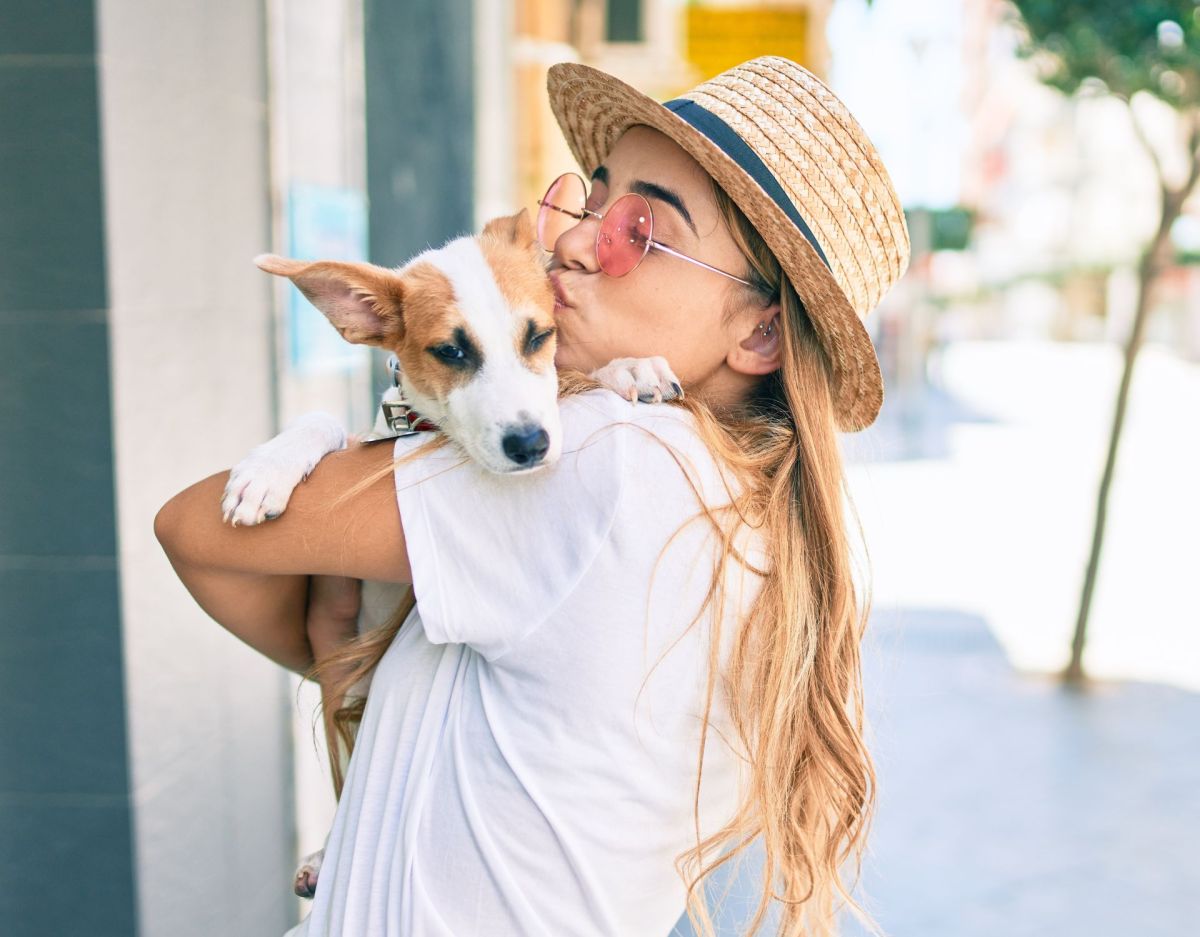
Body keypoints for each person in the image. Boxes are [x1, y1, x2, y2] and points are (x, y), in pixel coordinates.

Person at [154, 57, 909, 937]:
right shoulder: (738, 502)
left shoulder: (615, 458)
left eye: (640, 228)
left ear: (762, 329)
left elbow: (195, 526)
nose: (575, 245)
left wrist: (340, 642)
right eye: (588, 203)